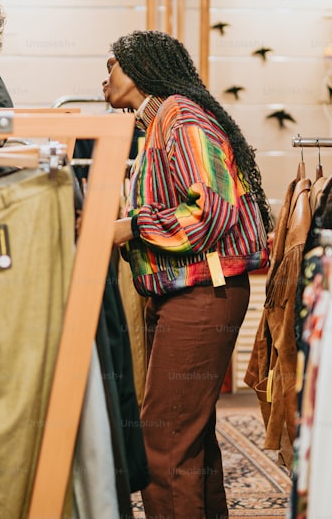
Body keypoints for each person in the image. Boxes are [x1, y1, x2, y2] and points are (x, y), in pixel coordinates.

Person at [103, 30, 273, 519]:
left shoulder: (183, 117)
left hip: (202, 295)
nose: (104, 76)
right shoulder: (161, 121)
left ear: (139, 68)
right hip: (188, 293)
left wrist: (127, 227)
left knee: (164, 440)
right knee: (188, 441)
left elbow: (208, 213)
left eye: (112, 64)